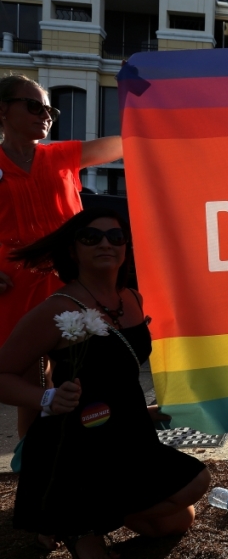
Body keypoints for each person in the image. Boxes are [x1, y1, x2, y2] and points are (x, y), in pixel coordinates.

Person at [0, 208, 210, 559]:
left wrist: (148, 410)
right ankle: (76, 522)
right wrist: (47, 398)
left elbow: (113, 374)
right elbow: (2, 375)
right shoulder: (57, 310)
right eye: (91, 237)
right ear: (72, 250)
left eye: (115, 237)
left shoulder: (131, 298)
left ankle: (77, 518)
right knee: (196, 481)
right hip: (76, 446)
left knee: (177, 520)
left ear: (126, 248)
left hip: (127, 436)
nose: (105, 244)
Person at [0, 74, 123, 445]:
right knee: (30, 379)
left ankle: (80, 454)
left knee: (84, 371)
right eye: (34, 106)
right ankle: (33, 459)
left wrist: (143, 100)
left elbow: (126, 145)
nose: (46, 116)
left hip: (70, 284)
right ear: (2, 109)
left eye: (49, 109)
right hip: (14, 289)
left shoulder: (61, 156)